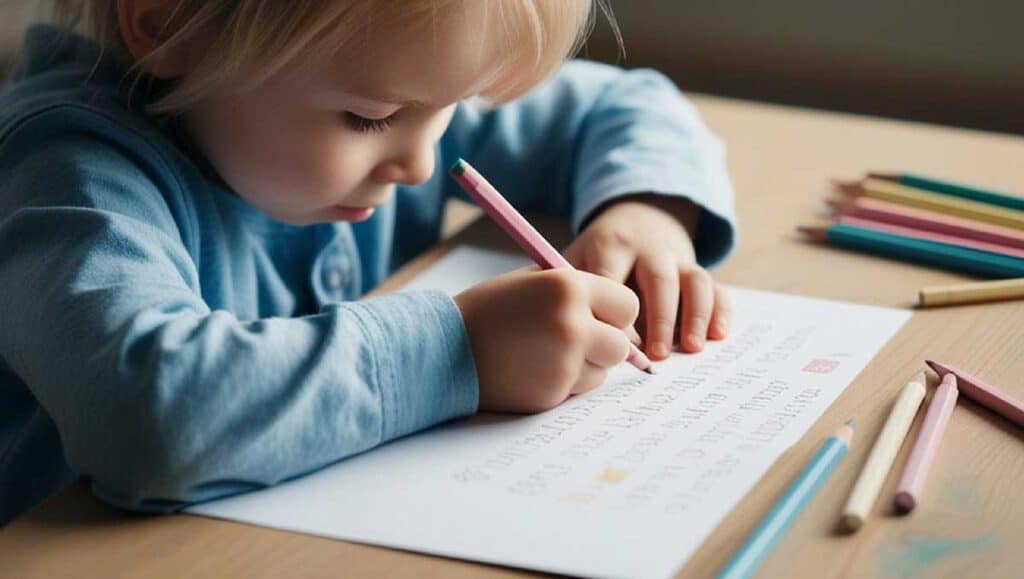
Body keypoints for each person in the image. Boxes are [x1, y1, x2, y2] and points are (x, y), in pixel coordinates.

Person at [0, 0, 736, 524]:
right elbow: (150, 418)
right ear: (172, 24)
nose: (421, 162)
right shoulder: (64, 176)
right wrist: (458, 349)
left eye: (455, 105)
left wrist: (643, 210)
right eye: (371, 118)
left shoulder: (392, 72)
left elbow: (628, 106)